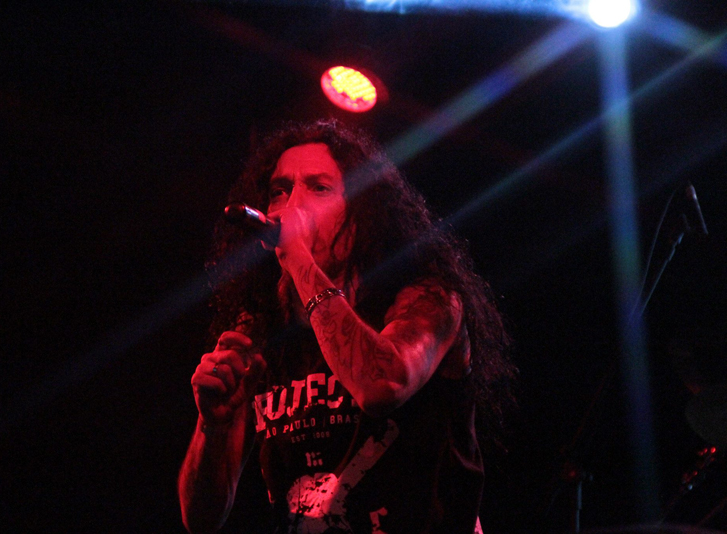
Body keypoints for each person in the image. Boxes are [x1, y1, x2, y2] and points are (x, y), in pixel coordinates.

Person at [178, 119, 515, 534]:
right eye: (280, 190)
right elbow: (201, 519)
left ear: (363, 210)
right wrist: (213, 426)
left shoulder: (429, 301)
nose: (291, 206)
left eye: (318, 188)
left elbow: (382, 384)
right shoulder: (260, 330)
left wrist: (298, 258)